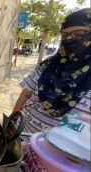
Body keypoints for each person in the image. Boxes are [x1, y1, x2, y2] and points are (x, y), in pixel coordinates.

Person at [12, 8, 91, 171]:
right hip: (21, 143)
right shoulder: (48, 66)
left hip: (58, 161)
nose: (70, 40)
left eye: (79, 34)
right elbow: (25, 95)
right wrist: (11, 125)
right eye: (65, 35)